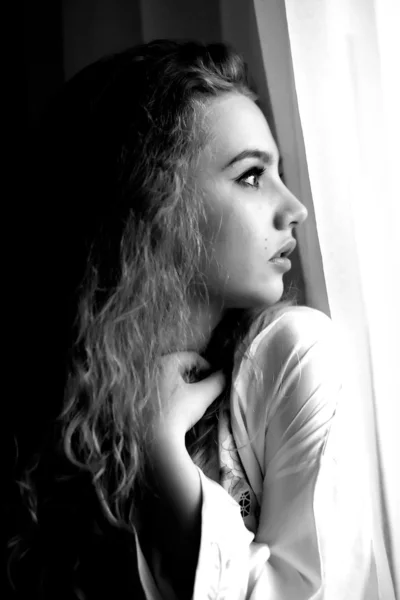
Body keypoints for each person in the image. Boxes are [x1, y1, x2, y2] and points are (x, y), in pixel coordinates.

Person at [9, 39, 376, 600]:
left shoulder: (290, 354)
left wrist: (161, 454)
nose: (294, 207)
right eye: (252, 176)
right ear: (154, 206)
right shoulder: (59, 407)